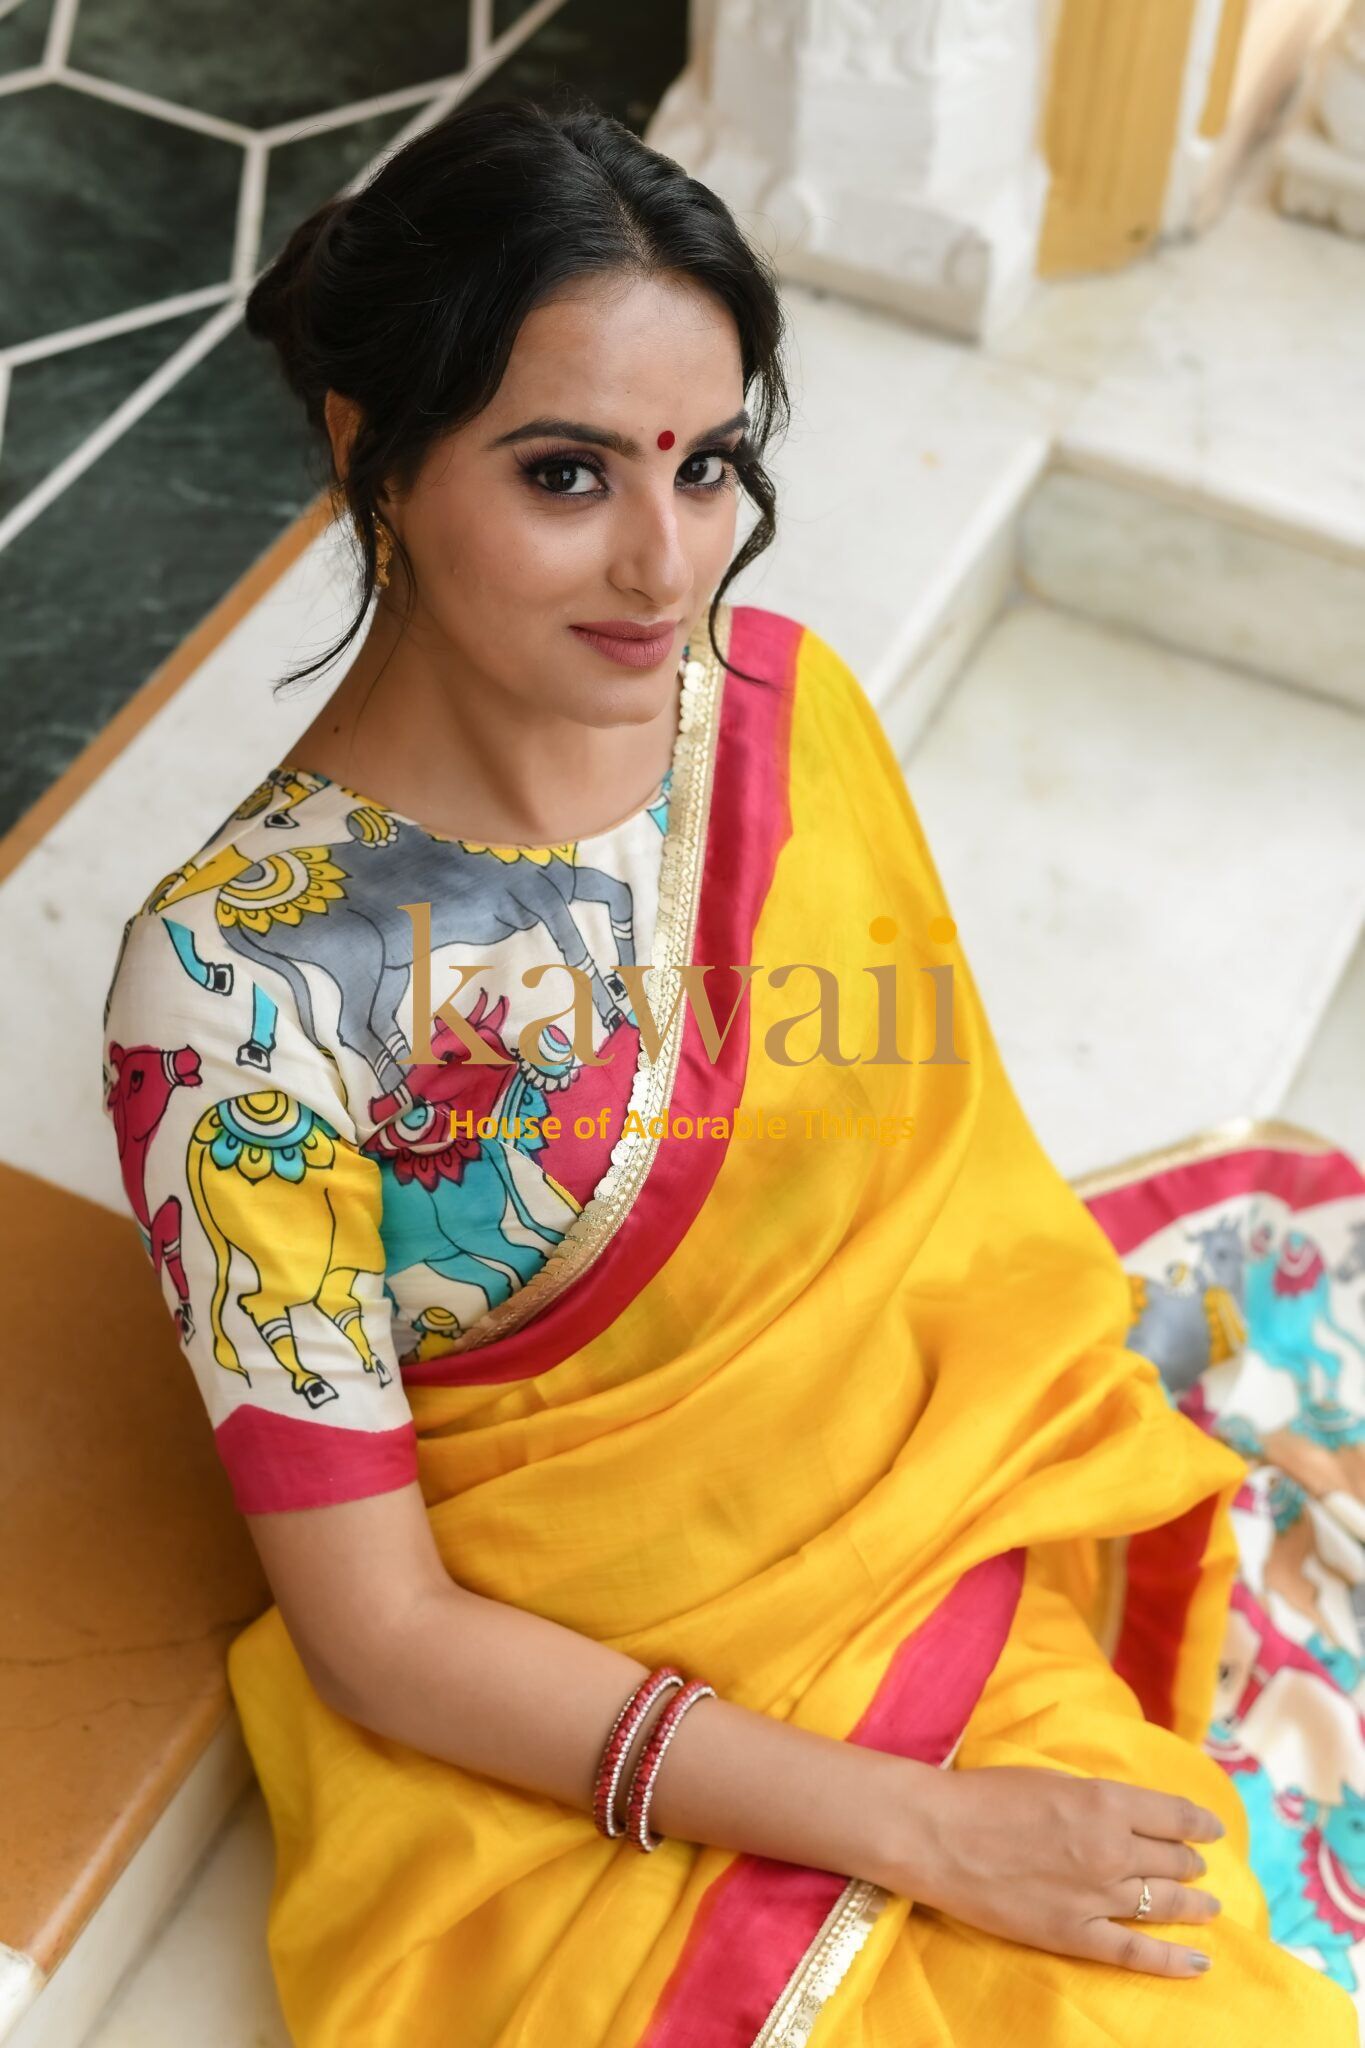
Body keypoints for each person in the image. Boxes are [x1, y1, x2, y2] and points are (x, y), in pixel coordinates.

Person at [99, 91, 1359, 2046]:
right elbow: (385, 1633)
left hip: (920, 1558)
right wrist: (919, 1830)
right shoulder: (232, 993)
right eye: (566, 474)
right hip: (572, 1747)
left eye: (706, 464)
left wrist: (966, 1786)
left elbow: (915, 1240)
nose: (663, 562)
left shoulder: (779, 716)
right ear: (374, 452)